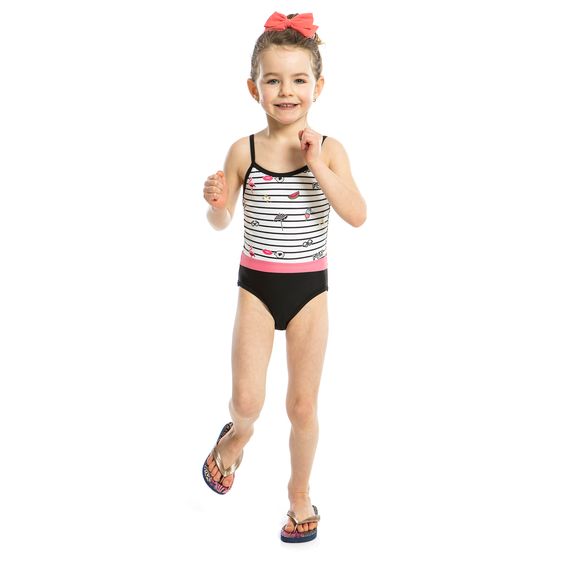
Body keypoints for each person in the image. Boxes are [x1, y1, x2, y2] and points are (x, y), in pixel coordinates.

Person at [201, 11, 366, 543]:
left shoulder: (330, 149)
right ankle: (236, 437)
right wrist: (218, 205)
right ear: (254, 88)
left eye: (298, 80)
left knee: (302, 406)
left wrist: (316, 165)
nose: (286, 91)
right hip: (257, 288)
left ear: (318, 86)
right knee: (247, 400)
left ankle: (299, 494)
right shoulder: (243, 150)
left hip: (309, 293)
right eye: (273, 80)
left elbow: (357, 214)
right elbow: (222, 221)